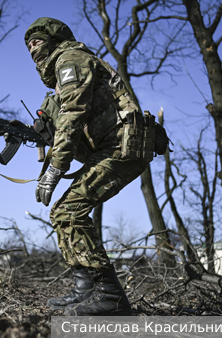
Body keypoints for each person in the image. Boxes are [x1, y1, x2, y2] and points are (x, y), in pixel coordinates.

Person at [25, 17, 153, 316]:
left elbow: (73, 113)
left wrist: (55, 169)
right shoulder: (61, 77)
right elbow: (67, 121)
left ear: (55, 40)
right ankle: (85, 289)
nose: (32, 48)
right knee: (62, 212)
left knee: (70, 209)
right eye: (28, 44)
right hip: (109, 147)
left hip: (123, 147)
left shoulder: (71, 59)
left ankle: (112, 297)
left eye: (38, 40)